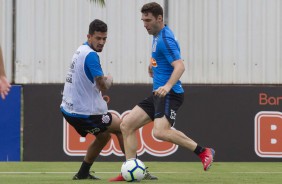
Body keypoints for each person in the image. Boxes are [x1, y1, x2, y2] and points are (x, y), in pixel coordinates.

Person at [119, 1, 215, 177]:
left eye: (148, 20)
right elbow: (164, 58)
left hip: (169, 94)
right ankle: (132, 171)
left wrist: (167, 85)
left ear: (159, 18)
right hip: (158, 94)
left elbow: (180, 66)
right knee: (126, 125)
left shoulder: (165, 38)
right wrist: (152, 65)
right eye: (143, 20)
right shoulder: (157, 34)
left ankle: (203, 151)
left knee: (159, 132)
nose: (144, 24)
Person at [60, 19, 156, 181]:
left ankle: (83, 173)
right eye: (98, 38)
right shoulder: (91, 56)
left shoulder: (80, 49)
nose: (101, 42)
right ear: (89, 36)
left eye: (104, 39)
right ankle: (137, 169)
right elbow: (103, 85)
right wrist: (109, 78)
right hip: (84, 113)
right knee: (123, 127)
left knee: (104, 136)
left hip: (68, 109)